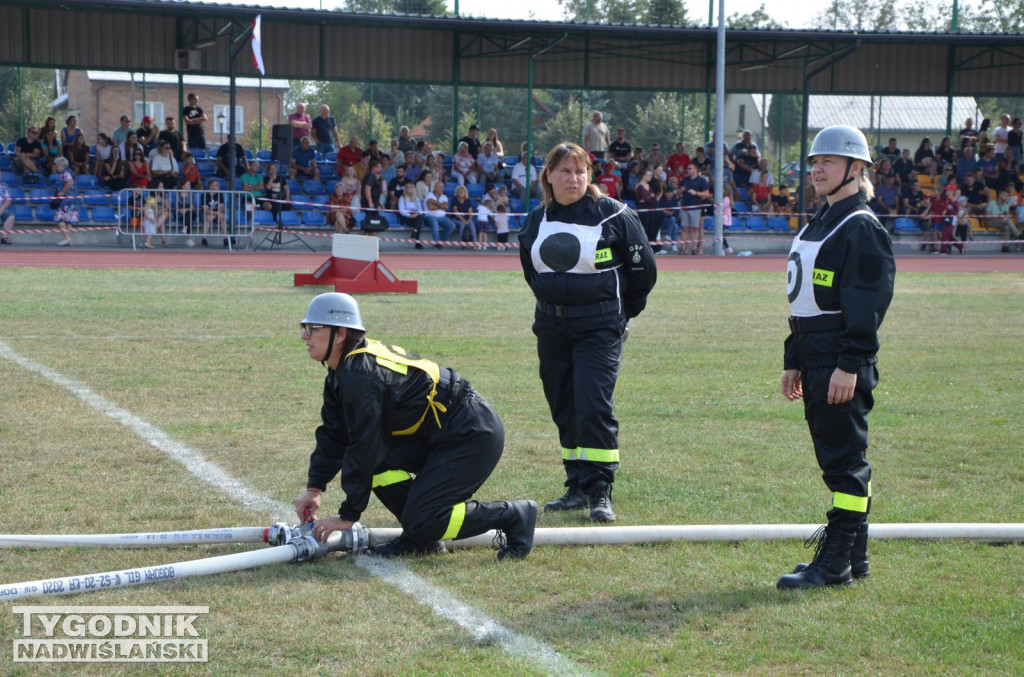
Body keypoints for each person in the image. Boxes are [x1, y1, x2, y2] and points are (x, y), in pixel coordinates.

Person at [292, 292, 538, 560]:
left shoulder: (359, 376)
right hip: (444, 430)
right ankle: (420, 538)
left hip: (472, 433)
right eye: (305, 328)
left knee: (423, 517)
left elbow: (365, 447)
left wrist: (348, 515)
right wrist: (314, 488)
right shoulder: (344, 371)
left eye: (313, 328)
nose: (305, 336)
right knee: (380, 468)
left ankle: (512, 515)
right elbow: (334, 434)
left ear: (340, 334)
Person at [777, 125, 895, 590]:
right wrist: (794, 356)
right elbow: (803, 296)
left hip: (839, 358)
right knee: (837, 457)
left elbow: (868, 302)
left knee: (844, 461)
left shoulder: (860, 226)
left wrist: (850, 363)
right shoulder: (820, 219)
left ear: (856, 168)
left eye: (827, 161)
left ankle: (836, 563)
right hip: (814, 352)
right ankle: (854, 557)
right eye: (813, 162)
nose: (817, 169)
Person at [518, 142, 657, 523]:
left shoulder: (613, 215)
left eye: (580, 171)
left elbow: (644, 270)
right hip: (551, 326)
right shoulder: (534, 221)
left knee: (594, 406)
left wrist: (622, 314)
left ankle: (600, 489)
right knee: (564, 405)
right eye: (564, 171)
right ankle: (575, 485)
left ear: (589, 176)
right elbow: (532, 274)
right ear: (548, 175)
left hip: (600, 327)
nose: (572, 178)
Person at [52, 157, 80, 247]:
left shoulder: (65, 173)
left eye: (57, 165)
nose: (56, 167)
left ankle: (66, 238)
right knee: (68, 220)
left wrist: (62, 192)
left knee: (60, 218)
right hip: (73, 198)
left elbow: (70, 182)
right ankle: (69, 239)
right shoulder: (70, 172)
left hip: (66, 199)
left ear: (62, 165)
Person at [424, 180, 456, 247]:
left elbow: (446, 207)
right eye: (441, 187)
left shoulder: (444, 196)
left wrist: (435, 202)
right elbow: (430, 207)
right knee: (434, 222)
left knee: (452, 226)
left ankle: (440, 241)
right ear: (435, 188)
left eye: (443, 187)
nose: (442, 189)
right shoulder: (429, 195)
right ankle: (437, 243)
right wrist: (441, 206)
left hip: (442, 217)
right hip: (430, 216)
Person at [397, 182, 425, 248]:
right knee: (419, 222)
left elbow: (420, 209)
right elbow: (401, 211)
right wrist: (410, 215)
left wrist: (417, 213)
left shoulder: (416, 198)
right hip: (406, 216)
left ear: (413, 188)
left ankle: (414, 232)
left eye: (410, 187)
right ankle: (417, 242)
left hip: (416, 215)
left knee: (420, 217)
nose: (408, 188)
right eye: (407, 187)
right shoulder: (402, 198)